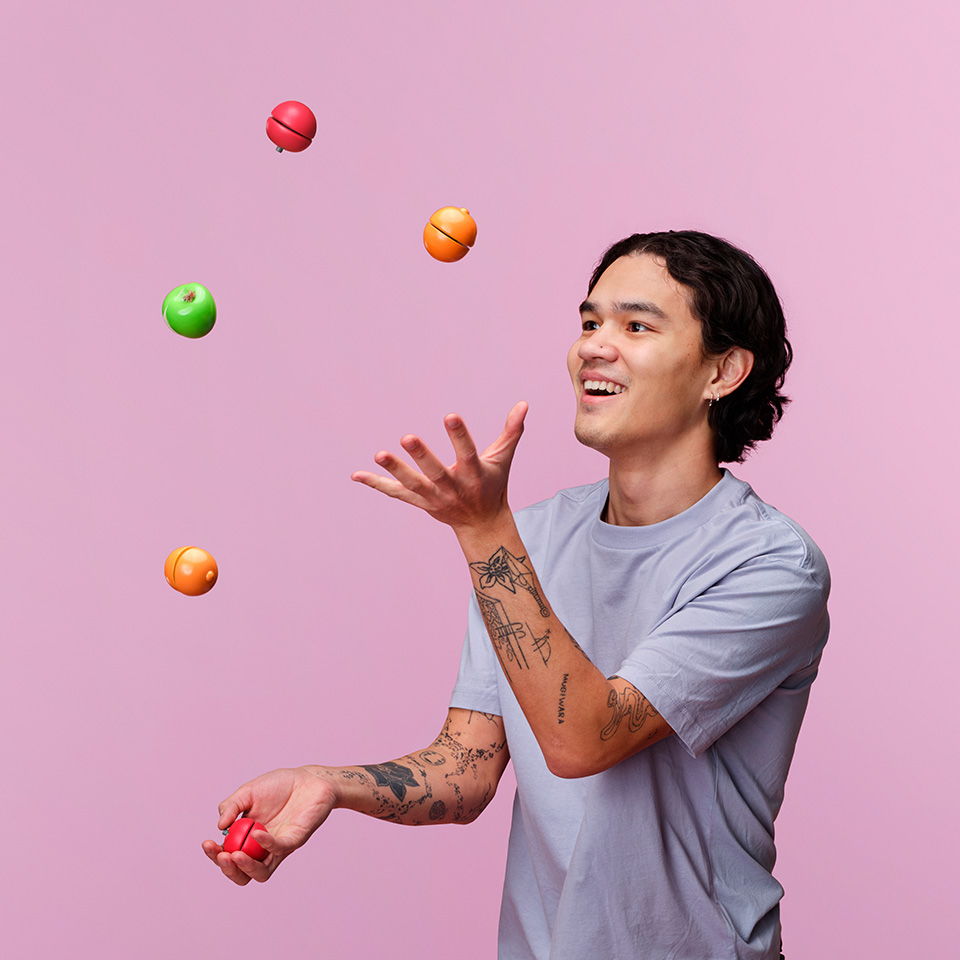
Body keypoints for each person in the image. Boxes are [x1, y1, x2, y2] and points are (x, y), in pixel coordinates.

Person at [202, 230, 830, 960]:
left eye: (636, 326)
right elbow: (465, 770)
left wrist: (482, 530)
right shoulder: (526, 540)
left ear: (723, 371)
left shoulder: (769, 565)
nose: (595, 345)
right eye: (590, 322)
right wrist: (328, 784)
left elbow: (583, 738)